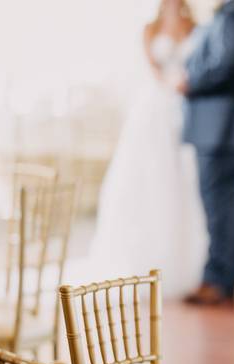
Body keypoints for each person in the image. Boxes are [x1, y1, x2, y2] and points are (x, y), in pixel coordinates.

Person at [90, 0, 207, 299]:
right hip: (156, 106)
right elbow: (152, 67)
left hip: (184, 110)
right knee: (145, 178)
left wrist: (185, 83)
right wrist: (170, 83)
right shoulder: (150, 29)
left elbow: (199, 64)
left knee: (180, 184)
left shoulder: (194, 27)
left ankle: (181, 265)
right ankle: (140, 262)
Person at [177, 0, 234, 307]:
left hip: (222, 127)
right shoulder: (233, 14)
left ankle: (218, 279)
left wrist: (190, 82)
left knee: (220, 209)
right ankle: (220, 278)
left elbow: (228, 63)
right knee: (224, 207)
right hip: (222, 127)